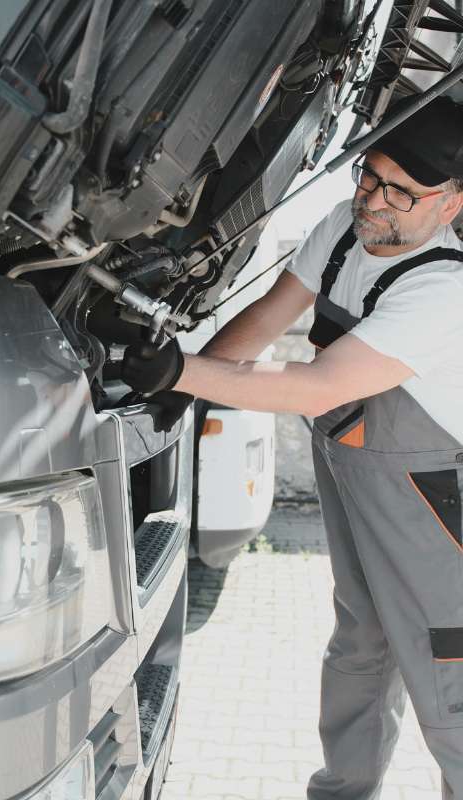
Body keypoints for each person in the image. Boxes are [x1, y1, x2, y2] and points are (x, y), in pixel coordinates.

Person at [122, 95, 463, 798]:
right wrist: (187, 388)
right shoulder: (344, 226)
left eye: (401, 192)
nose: (376, 200)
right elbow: (270, 313)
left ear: (452, 204)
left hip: (433, 497)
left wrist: (181, 371)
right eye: (371, 177)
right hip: (350, 467)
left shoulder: (446, 288)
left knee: (447, 673)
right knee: (360, 643)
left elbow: (317, 386)